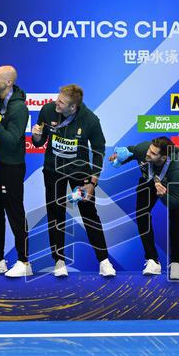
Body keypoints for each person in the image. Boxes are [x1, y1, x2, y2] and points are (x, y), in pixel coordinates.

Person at [32, 84, 114, 278]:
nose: (56, 103)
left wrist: (92, 182)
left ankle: (104, 261)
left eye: (61, 102)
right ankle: (59, 261)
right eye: (57, 99)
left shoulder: (90, 120)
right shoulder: (47, 110)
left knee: (89, 214)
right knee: (55, 214)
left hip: (80, 173)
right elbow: (40, 141)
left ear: (73, 108)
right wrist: (36, 137)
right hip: (53, 171)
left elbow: (99, 150)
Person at [111, 136, 179, 280]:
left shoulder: (177, 169)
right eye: (149, 150)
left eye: (153, 153)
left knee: (175, 216)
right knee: (141, 214)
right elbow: (132, 152)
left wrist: (163, 195)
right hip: (149, 180)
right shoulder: (144, 150)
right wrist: (119, 157)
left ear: (163, 157)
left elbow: (174, 202)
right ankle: (153, 260)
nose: (148, 153)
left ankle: (176, 262)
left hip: (171, 186)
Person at [0, 66, 33, 276]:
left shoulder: (19, 109)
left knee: (15, 213)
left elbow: (11, 141)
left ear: (8, 83)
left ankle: (24, 262)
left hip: (12, 168)